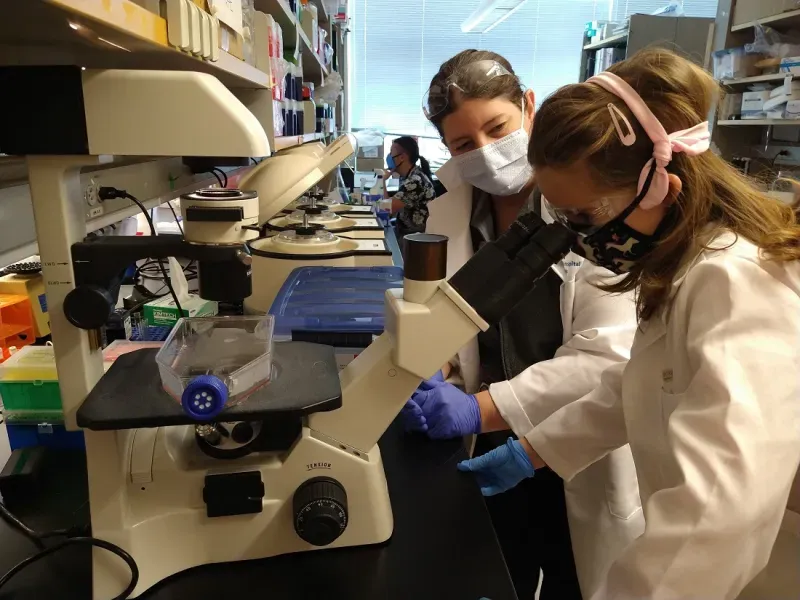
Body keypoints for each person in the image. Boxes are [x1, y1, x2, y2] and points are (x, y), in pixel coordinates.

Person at [458, 47, 800, 599]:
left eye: (583, 216)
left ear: (661, 181)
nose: (576, 238)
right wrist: (535, 449)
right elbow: (644, 382)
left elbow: (718, 512)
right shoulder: (683, 264)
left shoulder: (736, 282)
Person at [406, 49, 644, 599]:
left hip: (578, 444)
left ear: (529, 106)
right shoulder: (450, 212)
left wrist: (478, 408)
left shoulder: (590, 201)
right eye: (463, 144)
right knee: (494, 572)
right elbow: (448, 316)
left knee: (571, 579)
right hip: (486, 443)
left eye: (497, 128)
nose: (486, 152)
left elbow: (607, 356)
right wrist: (434, 364)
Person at [385, 136, 436, 247]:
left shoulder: (415, 181)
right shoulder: (407, 176)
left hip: (415, 239)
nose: (389, 156)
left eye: (391, 153)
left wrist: (381, 180)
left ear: (402, 157)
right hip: (405, 232)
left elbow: (386, 209)